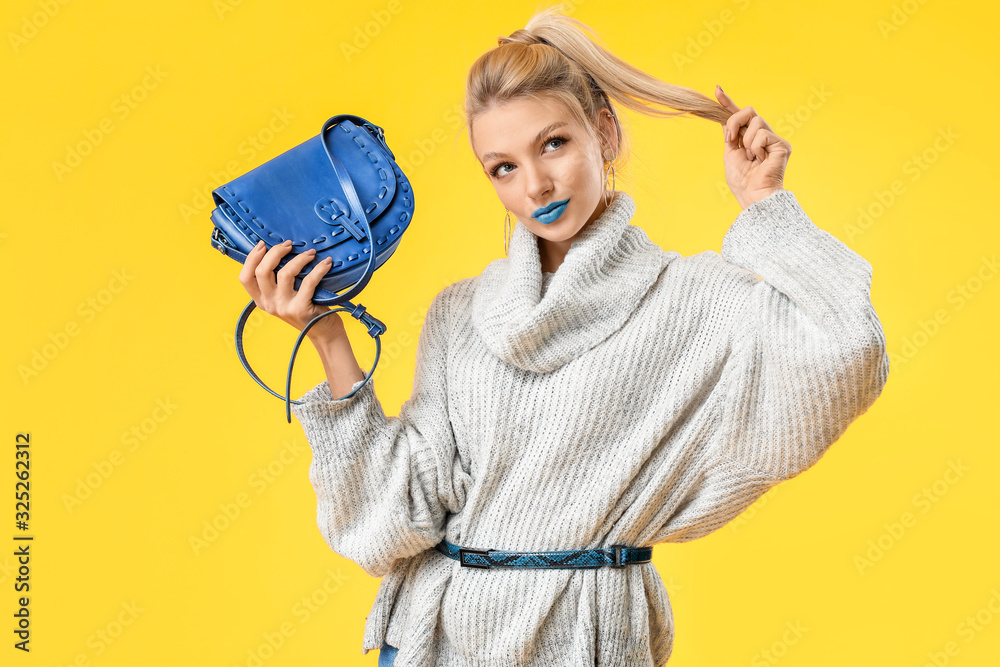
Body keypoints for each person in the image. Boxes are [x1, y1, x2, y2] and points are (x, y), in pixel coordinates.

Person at [237, 6, 889, 666]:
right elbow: (390, 518)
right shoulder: (460, 313)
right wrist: (326, 337)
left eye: (553, 144)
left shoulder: (692, 302)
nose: (536, 185)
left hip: (589, 637)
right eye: (503, 167)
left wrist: (765, 206)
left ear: (603, 131)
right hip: (434, 639)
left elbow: (847, 346)